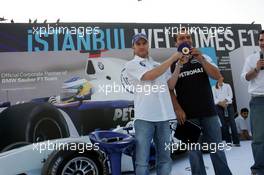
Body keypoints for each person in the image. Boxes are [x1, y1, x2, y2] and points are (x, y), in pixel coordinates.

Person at [170, 28, 232, 175]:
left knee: (217, 149)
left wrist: (202, 59)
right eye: (181, 38)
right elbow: (170, 88)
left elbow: (217, 76)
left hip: (209, 112)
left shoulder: (203, 57)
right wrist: (177, 109)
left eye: (188, 37)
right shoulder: (172, 63)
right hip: (188, 116)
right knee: (194, 154)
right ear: (176, 43)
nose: (185, 40)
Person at [124, 33, 182, 175]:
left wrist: (179, 65)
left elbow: (170, 84)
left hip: (164, 117)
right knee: (142, 162)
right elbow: (149, 76)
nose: (142, 46)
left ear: (148, 45)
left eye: (144, 43)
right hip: (144, 118)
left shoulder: (158, 64)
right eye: (138, 44)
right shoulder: (131, 64)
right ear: (133, 47)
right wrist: (172, 58)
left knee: (165, 159)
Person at [241, 30, 264, 175]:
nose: (263, 42)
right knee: (259, 138)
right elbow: (245, 78)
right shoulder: (251, 58)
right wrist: (256, 68)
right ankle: (259, 170)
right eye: (261, 40)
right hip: (258, 100)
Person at [212, 77, 240, 146]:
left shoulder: (227, 86)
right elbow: (214, 98)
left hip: (229, 106)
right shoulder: (213, 87)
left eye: (220, 77)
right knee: (224, 124)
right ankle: (228, 142)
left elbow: (230, 95)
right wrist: (221, 103)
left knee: (232, 123)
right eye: (218, 77)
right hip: (219, 107)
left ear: (222, 78)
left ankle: (236, 142)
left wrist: (225, 102)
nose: (220, 78)